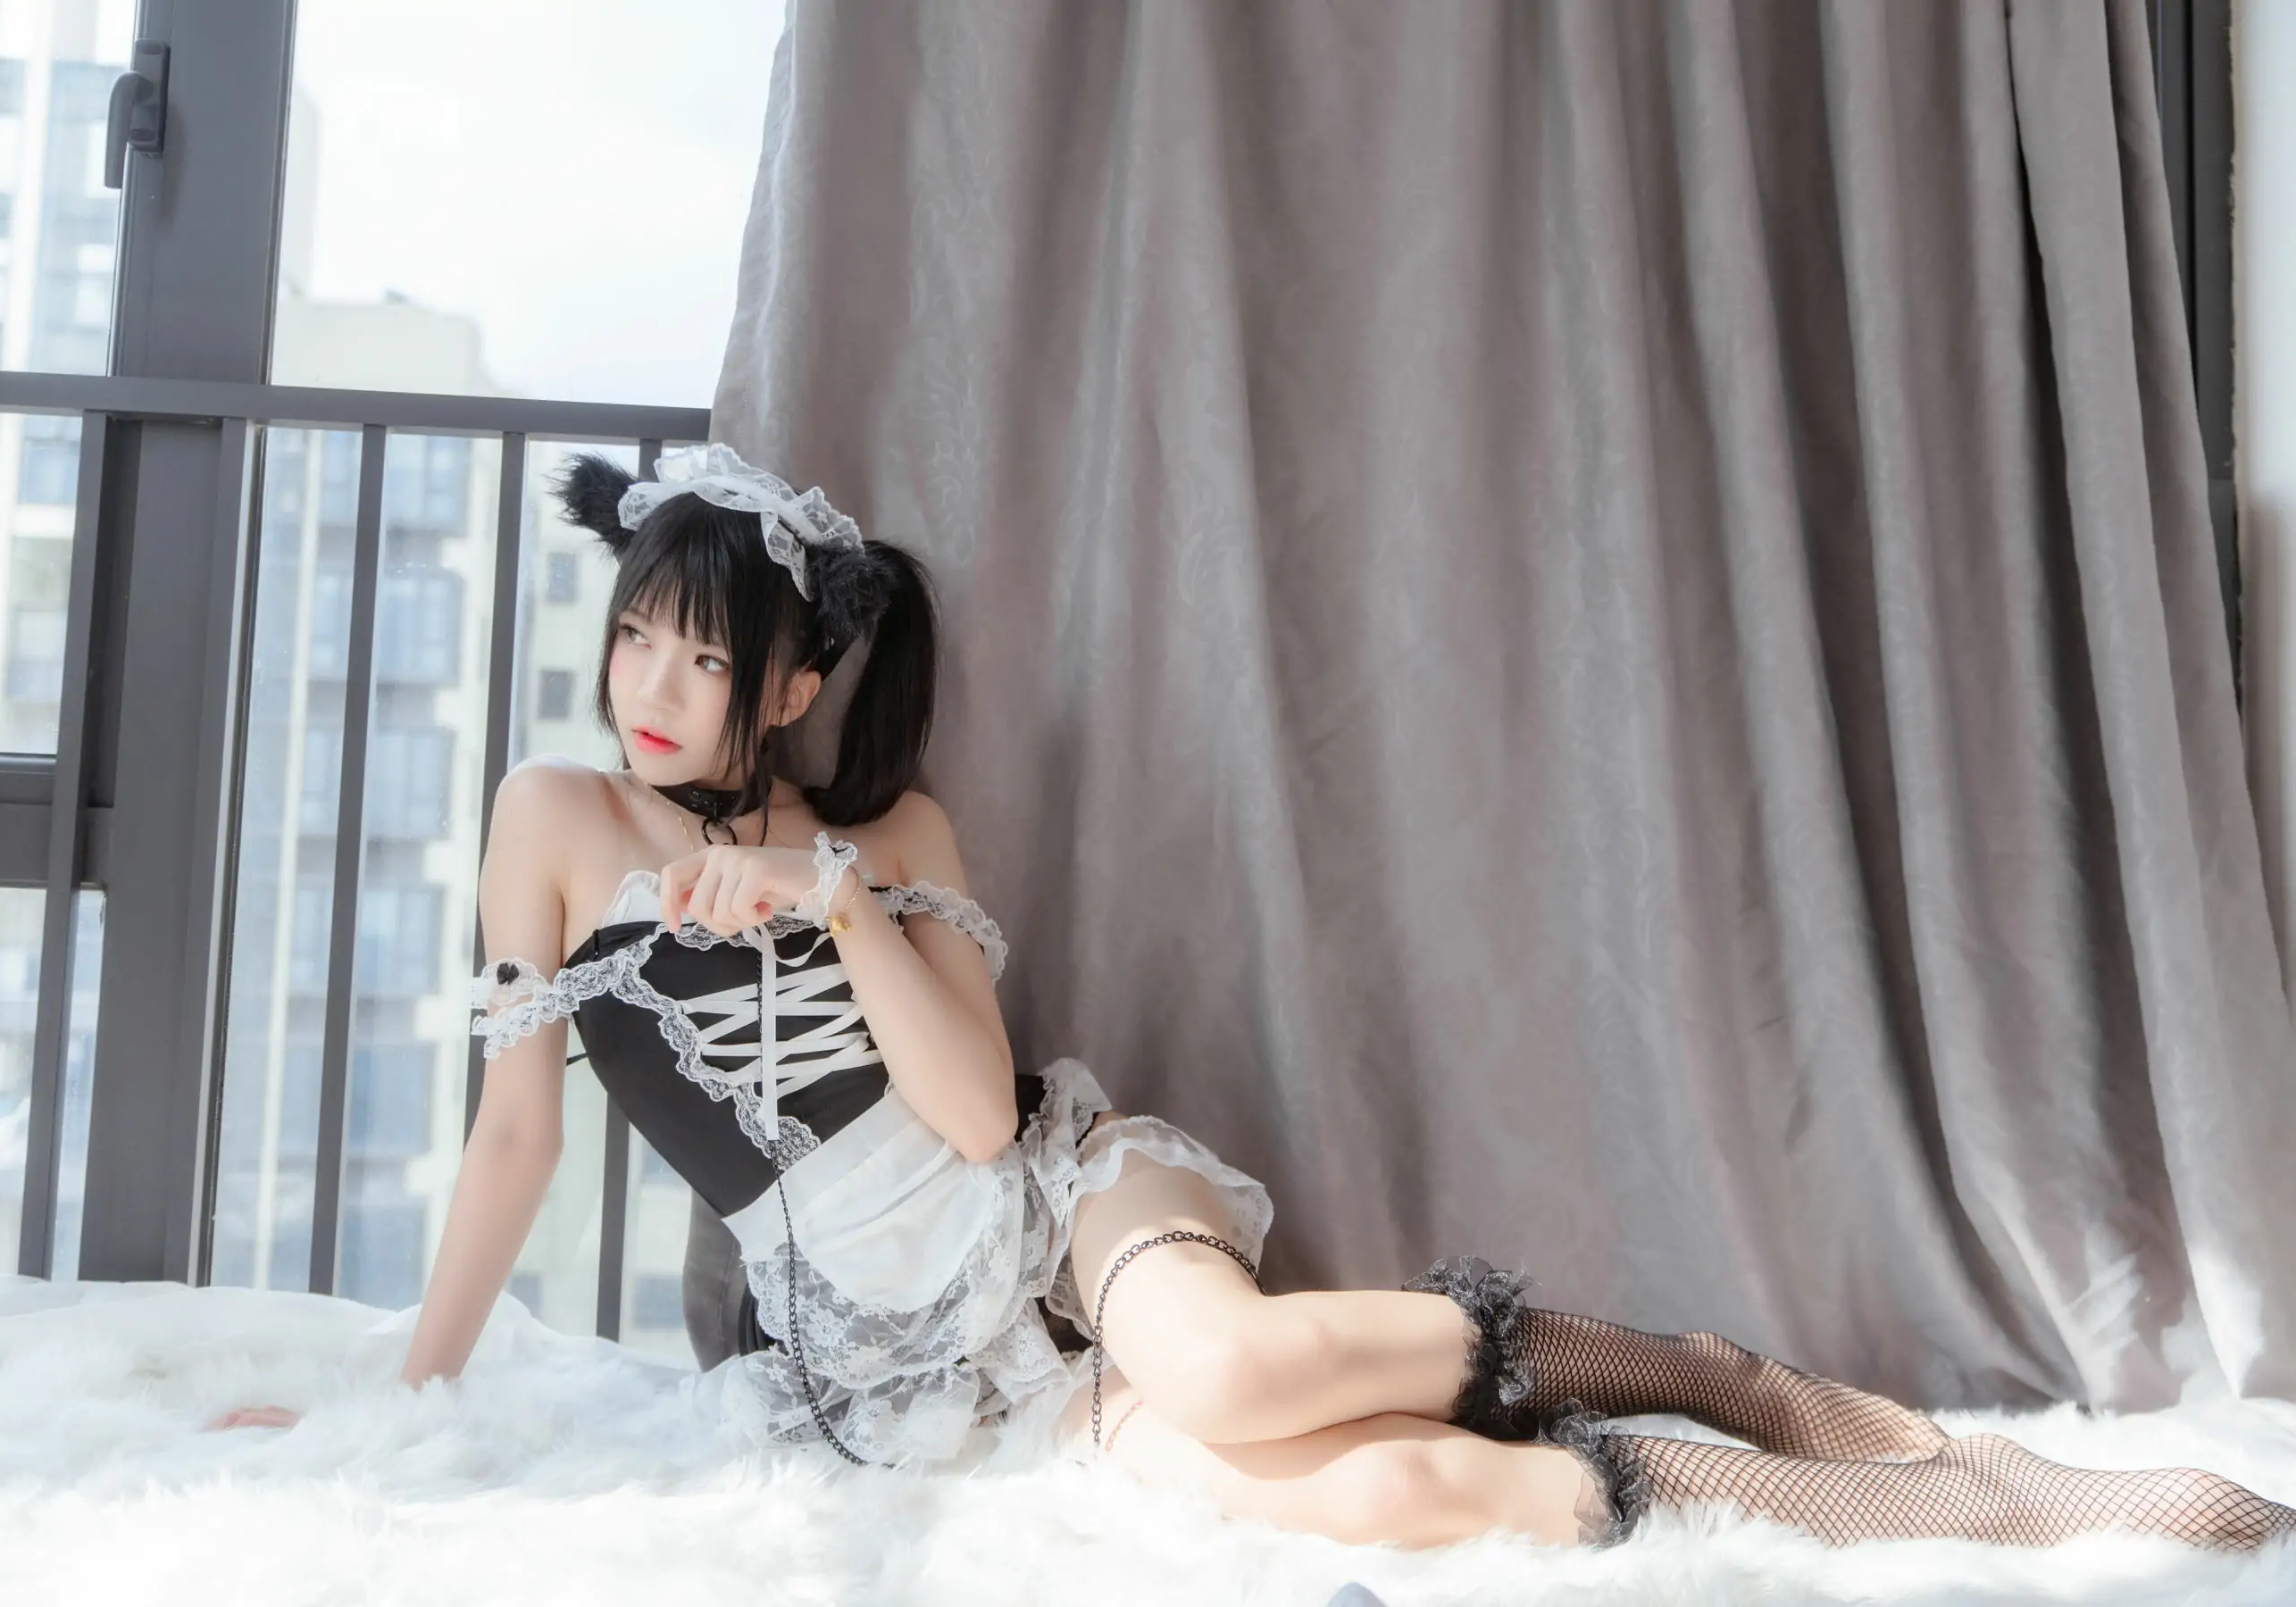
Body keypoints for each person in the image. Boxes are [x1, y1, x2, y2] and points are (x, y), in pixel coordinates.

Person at [213, 444, 2296, 1555]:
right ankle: (1899, 1504)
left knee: (1227, 1369)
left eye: (701, 657)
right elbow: (514, 1138)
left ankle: (1734, 1378)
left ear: (790, 682)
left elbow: (971, 1118)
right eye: (633, 642)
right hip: (904, 1362)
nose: (650, 691)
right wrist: (404, 1394)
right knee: (1399, 1491)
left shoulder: (894, 832)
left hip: (1058, 1210)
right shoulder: (551, 822)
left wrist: (825, 893)